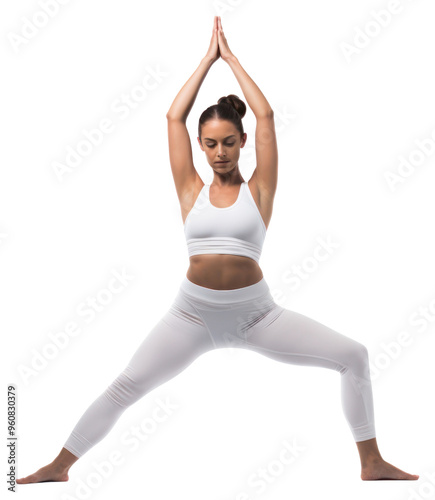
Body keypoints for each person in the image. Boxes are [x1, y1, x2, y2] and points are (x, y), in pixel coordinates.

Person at [17, 16, 418, 484]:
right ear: (201, 147)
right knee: (127, 384)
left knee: (355, 355)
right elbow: (172, 118)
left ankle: (371, 462)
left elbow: (266, 116)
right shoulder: (190, 189)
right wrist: (207, 61)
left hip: (257, 315)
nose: (220, 152)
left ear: (242, 142)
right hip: (191, 314)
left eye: (229, 142)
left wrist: (232, 60)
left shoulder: (259, 189)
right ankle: (59, 467)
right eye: (209, 144)